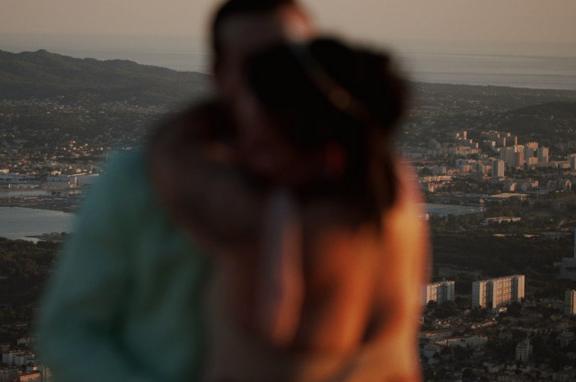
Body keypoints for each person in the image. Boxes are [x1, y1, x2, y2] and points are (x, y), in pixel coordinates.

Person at [36, 1, 316, 381]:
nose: (272, 80)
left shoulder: (356, 188)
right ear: (219, 73)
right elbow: (68, 330)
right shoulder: (134, 180)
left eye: (288, 62)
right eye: (254, 64)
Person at [154, 38, 430, 381]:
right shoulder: (400, 189)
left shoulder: (263, 218)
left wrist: (220, 109)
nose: (242, 152)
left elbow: (172, 157)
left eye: (264, 145)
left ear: (329, 159)